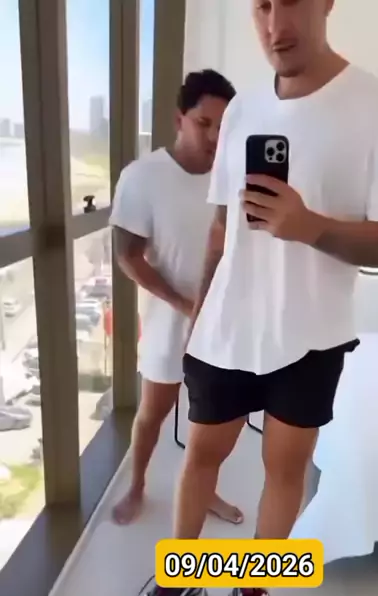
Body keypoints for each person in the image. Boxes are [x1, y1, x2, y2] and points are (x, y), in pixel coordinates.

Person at [118, 0, 378, 596]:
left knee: (284, 471)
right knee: (201, 458)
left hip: (312, 335)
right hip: (227, 325)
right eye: (261, 6)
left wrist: (309, 226)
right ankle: (178, 585)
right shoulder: (244, 111)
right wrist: (200, 314)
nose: (276, 27)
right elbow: (222, 227)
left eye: (292, 2)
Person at [109, 69, 243, 527]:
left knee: (213, 423)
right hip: (169, 321)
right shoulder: (142, 177)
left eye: (223, 127)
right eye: (204, 123)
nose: (214, 137)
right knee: (152, 414)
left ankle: (205, 490)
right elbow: (128, 256)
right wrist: (186, 306)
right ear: (178, 119)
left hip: (223, 322)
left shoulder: (233, 179)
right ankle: (137, 486)